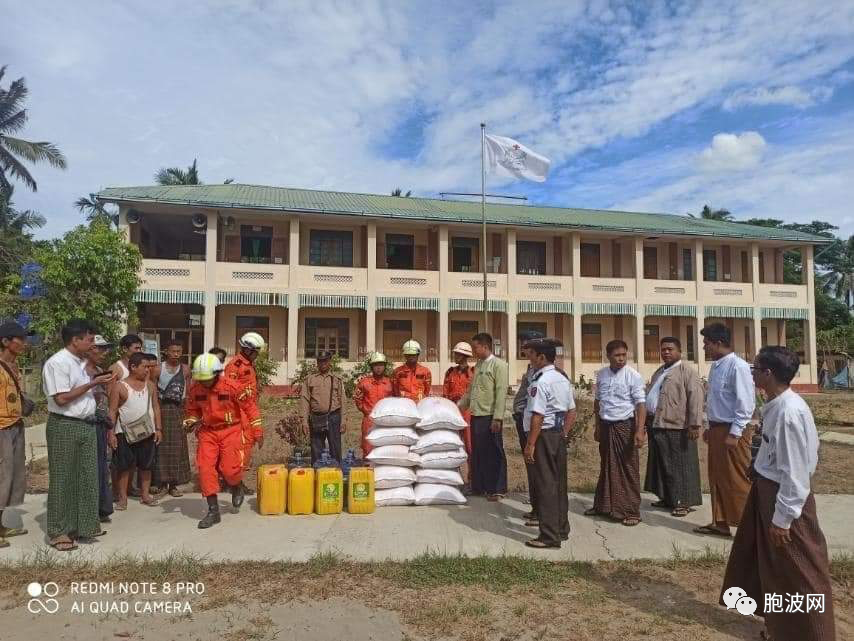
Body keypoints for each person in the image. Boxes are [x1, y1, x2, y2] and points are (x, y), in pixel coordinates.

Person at [720, 346, 836, 641]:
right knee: (774, 570)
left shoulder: (789, 413)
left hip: (785, 502)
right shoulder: (775, 405)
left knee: (801, 571)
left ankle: (814, 634)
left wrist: (783, 519)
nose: (752, 373)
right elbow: (774, 454)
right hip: (769, 493)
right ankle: (781, 628)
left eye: (755, 368)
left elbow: (796, 474)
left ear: (768, 374)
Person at [42, 319, 114, 551]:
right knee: (63, 478)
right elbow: (61, 398)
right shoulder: (58, 363)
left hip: (86, 425)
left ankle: (83, 525)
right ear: (76, 340)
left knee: (86, 477)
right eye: (90, 340)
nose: (93, 344)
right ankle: (58, 531)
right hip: (64, 424)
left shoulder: (80, 364)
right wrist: (92, 384)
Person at [184, 353, 262, 528]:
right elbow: (192, 410)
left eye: (207, 379)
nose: (204, 383)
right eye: (201, 379)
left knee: (229, 470)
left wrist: (258, 431)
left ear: (216, 374)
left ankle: (236, 485)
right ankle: (213, 511)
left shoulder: (231, 387)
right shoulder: (196, 389)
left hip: (230, 431)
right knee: (205, 468)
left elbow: (250, 408)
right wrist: (189, 421)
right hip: (208, 433)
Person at [695, 322, 756, 538]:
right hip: (717, 429)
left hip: (733, 431)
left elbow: (746, 403)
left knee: (737, 478)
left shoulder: (737, 366)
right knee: (717, 477)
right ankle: (720, 522)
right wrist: (708, 426)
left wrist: (735, 433)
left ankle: (749, 528)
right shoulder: (717, 366)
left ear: (719, 343)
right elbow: (713, 400)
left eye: (707, 344)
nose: (704, 348)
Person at [522, 338, 575, 548]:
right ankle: (561, 528)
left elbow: (538, 415)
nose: (530, 359)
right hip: (556, 436)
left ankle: (549, 536)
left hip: (543, 436)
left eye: (532, 355)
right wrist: (563, 433)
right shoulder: (562, 379)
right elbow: (572, 411)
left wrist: (530, 444)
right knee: (558, 484)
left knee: (545, 485)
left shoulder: (541, 381)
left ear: (541, 357)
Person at [587, 339, 646, 526]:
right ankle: (603, 506)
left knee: (628, 468)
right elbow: (598, 402)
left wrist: (639, 431)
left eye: (624, 355)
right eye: (617, 355)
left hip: (625, 426)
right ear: (608, 356)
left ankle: (631, 511)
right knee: (606, 466)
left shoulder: (633, 375)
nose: (621, 359)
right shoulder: (602, 374)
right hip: (605, 425)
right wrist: (597, 426)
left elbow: (641, 405)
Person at [643, 337, 704, 517]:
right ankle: (668, 498)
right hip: (657, 423)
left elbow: (696, 398)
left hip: (678, 426)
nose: (666, 352)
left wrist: (694, 424)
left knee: (681, 465)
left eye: (670, 349)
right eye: (663, 350)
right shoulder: (660, 371)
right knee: (662, 464)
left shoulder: (687, 371)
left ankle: (683, 502)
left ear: (680, 351)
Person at [458, 332, 509, 501]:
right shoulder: (479, 365)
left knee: (494, 453)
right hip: (477, 414)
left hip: (490, 416)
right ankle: (479, 487)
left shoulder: (499, 365)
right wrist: (457, 407)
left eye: (476, 347)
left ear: (485, 346)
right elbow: (471, 391)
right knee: (478, 453)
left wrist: (498, 418)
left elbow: (501, 393)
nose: (474, 351)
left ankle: (498, 488)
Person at [108, 352, 162, 509]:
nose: (147, 370)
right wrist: (111, 433)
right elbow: (112, 411)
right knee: (124, 467)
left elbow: (156, 407)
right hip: (124, 433)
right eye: (144, 367)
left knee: (146, 465)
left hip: (147, 432)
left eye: (149, 367)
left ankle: (145, 495)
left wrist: (158, 429)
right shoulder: (120, 386)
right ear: (133, 367)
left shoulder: (150, 386)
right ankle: (122, 498)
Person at [0, 321, 31, 548]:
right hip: (1, 428)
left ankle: (5, 525)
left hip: (16, 425)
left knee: (16, 476)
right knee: (3, 475)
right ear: (5, 342)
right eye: (20, 339)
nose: (24, 343)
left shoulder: (15, 365)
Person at [151, 340, 192, 497]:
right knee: (160, 447)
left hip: (178, 410)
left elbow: (187, 394)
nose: (176, 354)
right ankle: (161, 483)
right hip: (161, 408)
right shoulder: (157, 370)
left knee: (177, 447)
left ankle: (174, 484)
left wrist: (188, 415)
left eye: (179, 351)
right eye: (173, 351)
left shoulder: (186, 370)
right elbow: (153, 392)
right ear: (166, 351)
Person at [225, 332, 266, 487]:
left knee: (247, 446)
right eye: (256, 352)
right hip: (238, 413)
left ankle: (236, 480)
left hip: (248, 411)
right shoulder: (235, 366)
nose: (257, 355)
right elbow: (228, 391)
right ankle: (234, 483)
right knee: (238, 448)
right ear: (248, 350)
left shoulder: (248, 364)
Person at [83, 335, 116, 523]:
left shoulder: (101, 371)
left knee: (101, 467)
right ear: (88, 349)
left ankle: (101, 507)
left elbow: (108, 400)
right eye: (100, 349)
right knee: (88, 468)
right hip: (85, 424)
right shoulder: (79, 372)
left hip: (101, 425)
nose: (105, 353)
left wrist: (110, 426)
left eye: (106, 349)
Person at [110, 334, 143, 498]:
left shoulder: (138, 367)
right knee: (120, 459)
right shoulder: (116, 368)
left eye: (140, 348)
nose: (139, 351)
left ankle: (130, 487)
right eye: (136, 348)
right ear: (124, 349)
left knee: (133, 458)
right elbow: (111, 398)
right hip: (120, 421)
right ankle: (117, 491)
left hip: (136, 421)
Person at [300, 351, 346, 463]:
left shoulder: (336, 379)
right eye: (320, 361)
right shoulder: (310, 379)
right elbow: (304, 400)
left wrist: (343, 420)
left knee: (335, 449)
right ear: (317, 363)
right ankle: (317, 475)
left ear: (329, 362)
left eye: (325, 361)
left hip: (333, 417)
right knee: (316, 450)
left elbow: (343, 400)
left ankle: (336, 474)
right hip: (316, 418)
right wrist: (304, 421)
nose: (323, 364)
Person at [512, 341, 538, 524]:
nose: (526, 354)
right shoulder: (531, 371)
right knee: (531, 468)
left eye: (528, 351)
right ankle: (536, 506)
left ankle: (541, 511)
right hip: (524, 422)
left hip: (536, 428)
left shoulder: (544, 375)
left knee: (538, 469)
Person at [353, 352, 393, 456]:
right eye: (376, 365)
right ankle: (368, 469)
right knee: (368, 447)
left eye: (381, 365)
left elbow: (395, 400)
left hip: (386, 420)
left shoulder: (390, 383)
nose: (378, 368)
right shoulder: (364, 383)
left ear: (385, 366)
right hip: (369, 420)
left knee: (385, 447)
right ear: (371, 366)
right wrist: (366, 411)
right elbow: (358, 399)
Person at [443, 342, 474, 455]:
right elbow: (445, 393)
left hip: (468, 412)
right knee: (452, 442)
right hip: (452, 411)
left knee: (469, 444)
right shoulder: (450, 372)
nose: (455, 356)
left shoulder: (473, 373)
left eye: (457, 354)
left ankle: (471, 471)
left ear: (463, 356)